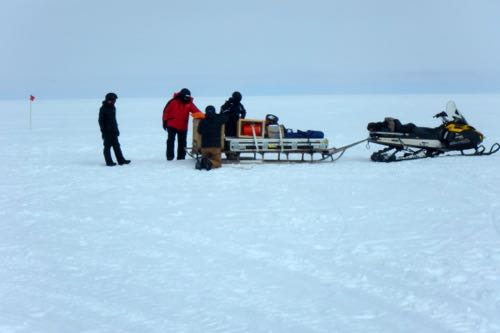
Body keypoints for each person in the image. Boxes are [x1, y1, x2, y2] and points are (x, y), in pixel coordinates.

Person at [162, 88, 204, 160]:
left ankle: (181, 157)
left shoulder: (189, 104)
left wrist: (207, 117)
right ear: (181, 95)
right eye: (186, 96)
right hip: (172, 125)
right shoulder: (173, 102)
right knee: (170, 141)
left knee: (182, 142)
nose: (187, 98)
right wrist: (164, 122)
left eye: (188, 97)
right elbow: (166, 112)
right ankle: (170, 157)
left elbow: (196, 112)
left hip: (183, 126)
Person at [98, 92, 131, 166]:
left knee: (116, 146)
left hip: (113, 130)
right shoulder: (103, 108)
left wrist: (116, 129)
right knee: (107, 146)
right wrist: (104, 130)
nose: (114, 101)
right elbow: (100, 120)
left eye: (114, 100)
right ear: (108, 100)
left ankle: (121, 160)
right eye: (113, 100)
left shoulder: (113, 107)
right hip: (107, 131)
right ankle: (109, 162)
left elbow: (114, 120)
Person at [196, 105, 228, 170]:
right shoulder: (218, 119)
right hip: (215, 147)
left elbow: (199, 131)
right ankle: (209, 162)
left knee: (205, 157)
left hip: (204, 147)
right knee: (218, 163)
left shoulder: (202, 121)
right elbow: (226, 118)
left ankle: (202, 162)